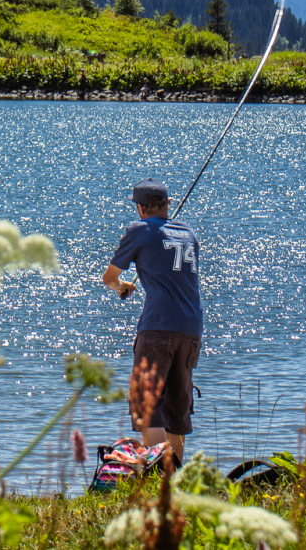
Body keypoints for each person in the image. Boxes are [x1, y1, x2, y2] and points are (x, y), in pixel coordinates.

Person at [102, 179, 202, 464]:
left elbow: (109, 277)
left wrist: (121, 286)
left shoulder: (138, 231)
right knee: (176, 411)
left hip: (158, 327)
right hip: (191, 329)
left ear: (140, 208)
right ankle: (175, 478)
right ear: (168, 204)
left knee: (149, 406)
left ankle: (159, 480)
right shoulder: (189, 234)